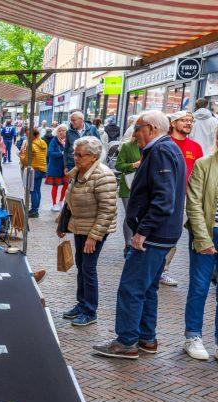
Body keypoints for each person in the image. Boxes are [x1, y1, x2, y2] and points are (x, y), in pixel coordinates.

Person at [93, 110, 186, 359]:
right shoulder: (167, 149)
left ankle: (126, 341)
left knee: (131, 288)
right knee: (147, 289)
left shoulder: (160, 151)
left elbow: (163, 199)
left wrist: (142, 231)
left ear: (152, 129)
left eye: (138, 128)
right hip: (162, 234)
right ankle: (146, 338)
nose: (134, 134)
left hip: (154, 235)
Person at [59, 137, 118, 327]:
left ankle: (90, 310)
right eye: (75, 154)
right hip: (80, 225)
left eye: (80, 155)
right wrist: (62, 224)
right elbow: (70, 201)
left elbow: (107, 210)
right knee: (81, 265)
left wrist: (94, 236)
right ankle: (82, 303)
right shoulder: (78, 173)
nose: (76, 158)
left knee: (88, 268)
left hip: (94, 228)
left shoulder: (104, 176)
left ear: (93, 157)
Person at [159, 111, 205, 287]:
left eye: (190, 121)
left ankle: (163, 271)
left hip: (186, 199)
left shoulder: (196, 147)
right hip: (164, 197)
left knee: (173, 235)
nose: (188, 123)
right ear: (173, 123)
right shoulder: (164, 143)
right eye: (183, 120)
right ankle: (153, 268)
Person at [183, 128, 218, 361]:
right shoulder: (204, 164)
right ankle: (193, 336)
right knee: (199, 288)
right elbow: (193, 203)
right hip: (208, 232)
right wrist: (203, 239)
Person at [115, 133, 142, 255]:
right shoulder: (128, 146)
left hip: (145, 186)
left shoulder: (153, 146)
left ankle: (139, 241)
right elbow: (118, 165)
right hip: (129, 185)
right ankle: (128, 244)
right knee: (130, 214)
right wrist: (133, 165)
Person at [20, 128, 48, 217]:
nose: (27, 136)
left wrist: (21, 155)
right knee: (37, 190)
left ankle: (34, 210)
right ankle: (36, 208)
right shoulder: (43, 143)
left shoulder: (31, 145)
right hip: (42, 168)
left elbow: (26, 161)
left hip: (34, 169)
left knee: (33, 191)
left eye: (28, 135)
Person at [47, 124, 70, 211]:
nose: (61, 132)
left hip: (66, 167)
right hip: (55, 167)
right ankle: (54, 203)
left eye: (63, 130)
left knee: (66, 185)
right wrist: (62, 153)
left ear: (66, 131)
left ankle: (61, 201)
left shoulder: (69, 140)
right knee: (55, 186)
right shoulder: (54, 140)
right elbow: (50, 153)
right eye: (59, 131)